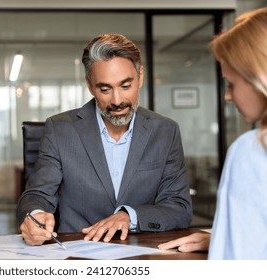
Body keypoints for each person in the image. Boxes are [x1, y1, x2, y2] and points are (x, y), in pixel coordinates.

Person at [16, 33, 193, 246]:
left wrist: (129, 216)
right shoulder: (59, 129)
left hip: (141, 255)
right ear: (90, 85)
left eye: (125, 86)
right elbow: (37, 194)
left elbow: (179, 208)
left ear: (141, 77)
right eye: (105, 89)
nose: (117, 101)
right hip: (76, 255)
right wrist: (34, 216)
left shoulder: (166, 131)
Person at [158, 7, 267, 259]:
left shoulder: (252, 149)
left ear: (259, 77)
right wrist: (220, 236)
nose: (228, 96)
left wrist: (225, 244)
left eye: (231, 84)